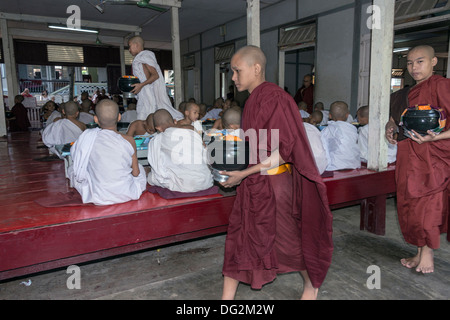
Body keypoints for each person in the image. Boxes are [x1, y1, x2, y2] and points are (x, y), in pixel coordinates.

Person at [219, 46, 333, 300]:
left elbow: (285, 150)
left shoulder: (275, 98)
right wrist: (236, 167)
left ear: (256, 68)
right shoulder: (251, 100)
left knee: (288, 244)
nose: (233, 77)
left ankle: (311, 285)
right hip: (252, 182)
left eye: (237, 71)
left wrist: (245, 172)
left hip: (274, 185)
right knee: (239, 239)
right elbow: (258, 145)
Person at [385, 45, 450, 274]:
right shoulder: (405, 93)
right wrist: (390, 127)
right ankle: (419, 250)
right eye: (410, 63)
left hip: (432, 160)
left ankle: (428, 253)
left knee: (428, 206)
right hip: (408, 157)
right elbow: (395, 118)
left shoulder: (442, 86)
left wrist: (434, 139)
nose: (414, 67)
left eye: (420, 61)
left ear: (433, 62)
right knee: (409, 205)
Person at [68, 99, 147, 205]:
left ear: (95, 119)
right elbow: (136, 173)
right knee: (140, 167)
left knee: (72, 169)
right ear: (119, 117)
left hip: (99, 195)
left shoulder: (88, 138)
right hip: (126, 192)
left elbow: (78, 160)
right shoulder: (129, 140)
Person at [147, 109, 213, 193]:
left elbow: (158, 168)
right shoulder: (191, 130)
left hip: (184, 185)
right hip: (205, 181)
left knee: (151, 177)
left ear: (158, 128)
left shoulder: (156, 140)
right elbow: (205, 152)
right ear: (174, 121)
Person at [128, 36, 183, 121]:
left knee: (148, 121)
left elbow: (155, 75)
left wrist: (141, 85)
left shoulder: (144, 56)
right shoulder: (139, 58)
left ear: (136, 45)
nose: (129, 49)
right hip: (144, 95)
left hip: (149, 96)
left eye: (129, 46)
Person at [321, 101, 360, 171]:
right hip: (355, 165)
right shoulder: (353, 129)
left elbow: (324, 149)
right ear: (347, 115)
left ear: (329, 115)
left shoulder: (326, 130)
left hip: (335, 166)